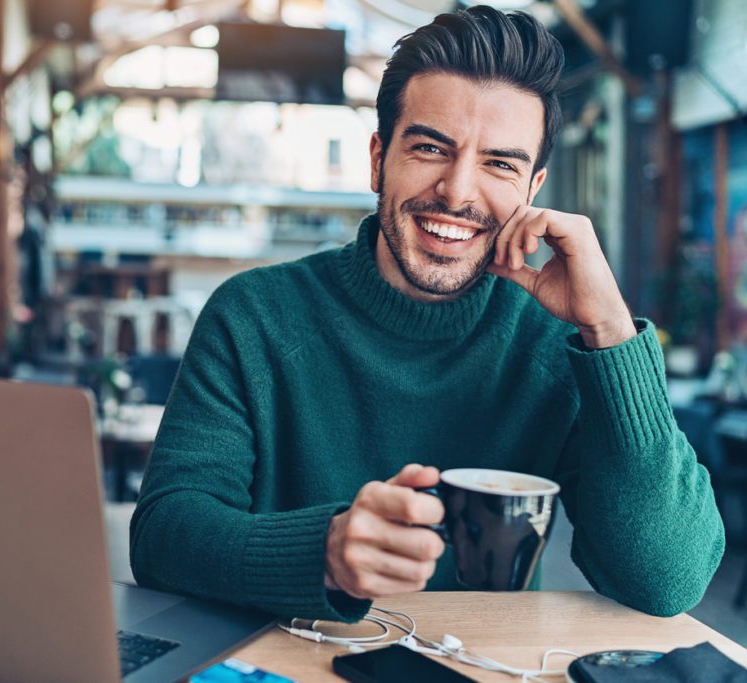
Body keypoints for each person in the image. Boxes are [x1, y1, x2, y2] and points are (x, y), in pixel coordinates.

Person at [129, 5, 724, 621]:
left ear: (532, 189)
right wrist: (324, 553)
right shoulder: (252, 316)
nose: (459, 191)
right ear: (377, 159)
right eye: (431, 148)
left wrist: (611, 334)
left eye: (500, 163)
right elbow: (162, 537)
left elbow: (667, 579)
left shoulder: (555, 342)